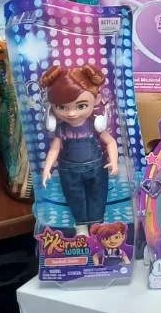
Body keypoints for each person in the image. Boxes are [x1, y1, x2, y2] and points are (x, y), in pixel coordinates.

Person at [40, 64, 118, 232]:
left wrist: (114, 162)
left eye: (81, 106)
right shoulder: (61, 128)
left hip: (96, 169)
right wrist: (46, 169)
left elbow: (111, 142)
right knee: (75, 198)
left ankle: (97, 226)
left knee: (98, 197)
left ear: (96, 100)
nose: (71, 114)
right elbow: (54, 149)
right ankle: (81, 226)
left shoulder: (94, 125)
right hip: (69, 172)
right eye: (61, 107)